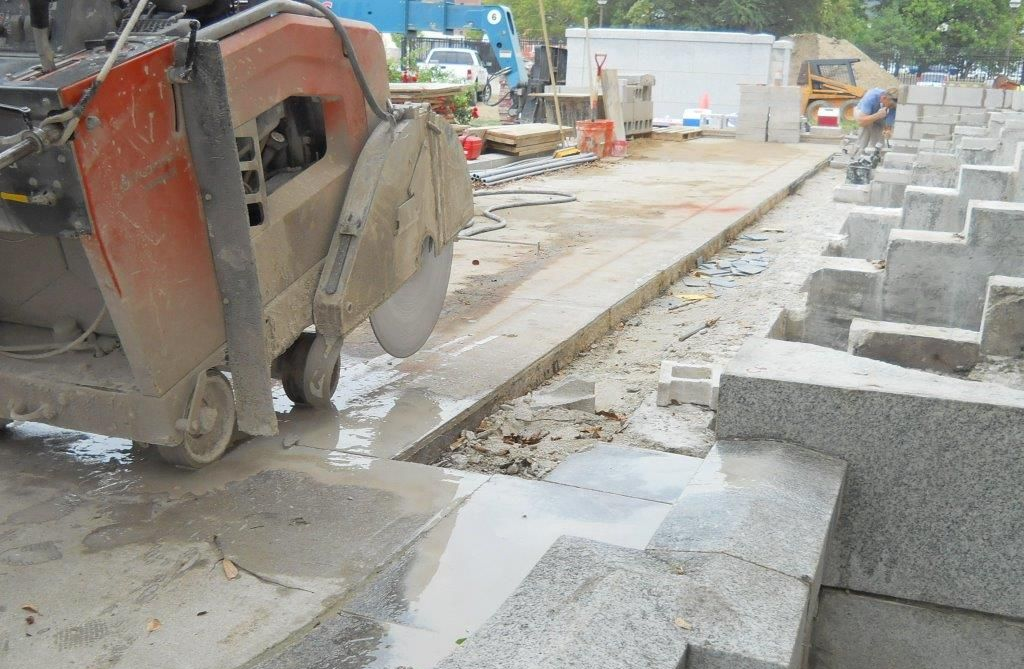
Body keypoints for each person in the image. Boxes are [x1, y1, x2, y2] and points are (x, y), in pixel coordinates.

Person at [850, 87, 898, 158]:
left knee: (879, 131)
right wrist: (877, 116)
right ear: (883, 98)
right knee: (867, 126)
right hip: (861, 115)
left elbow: (888, 124)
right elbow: (861, 122)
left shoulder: (892, 104)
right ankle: (858, 153)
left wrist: (887, 131)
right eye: (890, 105)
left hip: (878, 113)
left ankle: (875, 155)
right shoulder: (871, 97)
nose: (891, 107)